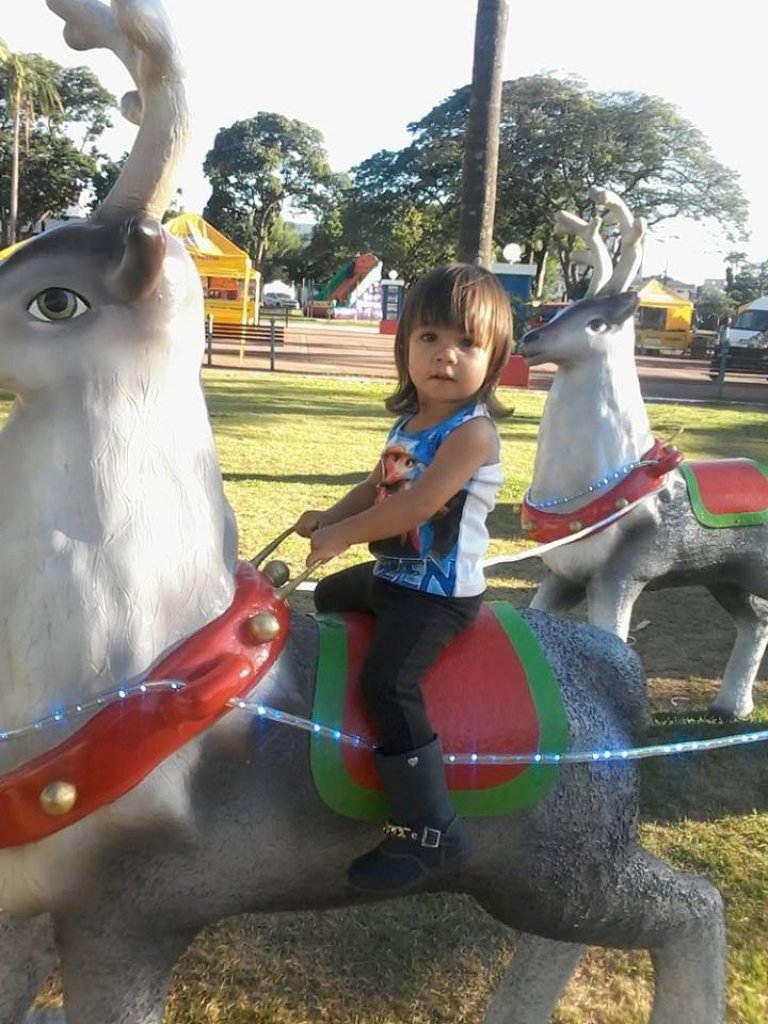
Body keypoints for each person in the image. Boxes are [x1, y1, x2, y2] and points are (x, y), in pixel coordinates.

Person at [295, 263, 513, 894]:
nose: (446, 355)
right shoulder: (409, 424)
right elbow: (377, 487)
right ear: (406, 347)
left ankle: (431, 829)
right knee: (331, 596)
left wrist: (344, 536)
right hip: (395, 575)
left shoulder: (472, 435)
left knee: (388, 683)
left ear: (493, 359)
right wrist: (329, 516)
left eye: (467, 343)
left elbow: (416, 507)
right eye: (430, 338)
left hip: (439, 595)